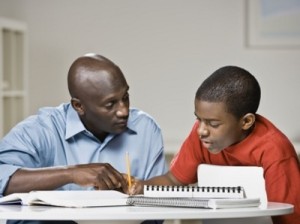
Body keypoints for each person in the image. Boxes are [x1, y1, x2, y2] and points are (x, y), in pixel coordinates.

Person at [0, 53, 167, 224]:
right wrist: (71, 173)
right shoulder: (41, 130)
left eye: (125, 97)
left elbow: (159, 209)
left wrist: (140, 191)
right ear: (78, 106)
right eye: (110, 104)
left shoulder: (146, 129)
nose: (123, 111)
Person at [130, 66, 300, 224]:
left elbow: (287, 216)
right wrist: (140, 186)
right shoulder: (202, 136)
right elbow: (173, 180)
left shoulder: (275, 150)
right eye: (198, 119)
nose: (201, 130)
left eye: (213, 123)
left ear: (246, 121)